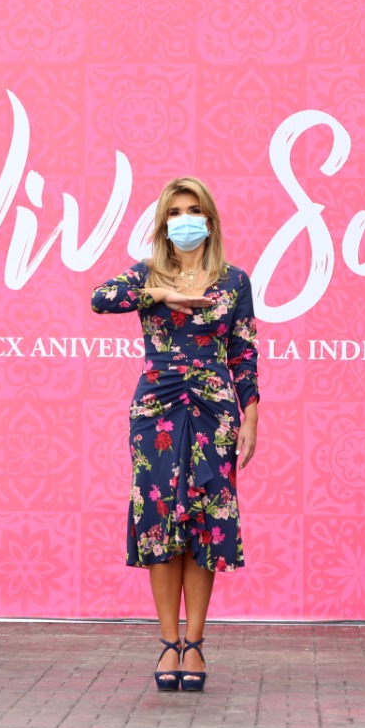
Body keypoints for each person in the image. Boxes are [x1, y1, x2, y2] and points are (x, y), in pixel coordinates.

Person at [91, 177, 259, 692]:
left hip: (214, 408)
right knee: (161, 520)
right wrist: (159, 293)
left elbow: (244, 352)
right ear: (164, 223)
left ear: (210, 218)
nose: (186, 220)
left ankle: (196, 644)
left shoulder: (233, 280)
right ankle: (169, 643)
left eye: (194, 210)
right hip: (157, 406)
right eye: (175, 212)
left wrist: (251, 416)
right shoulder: (147, 274)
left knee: (204, 521)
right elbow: (100, 298)